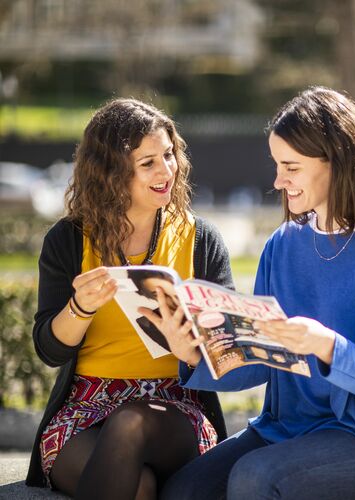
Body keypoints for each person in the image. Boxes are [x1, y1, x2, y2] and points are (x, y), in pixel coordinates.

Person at [150, 87, 355, 499]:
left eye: (291, 167)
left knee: (254, 478)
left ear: (336, 162)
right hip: (284, 429)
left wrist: (325, 346)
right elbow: (259, 363)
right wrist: (193, 353)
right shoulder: (282, 245)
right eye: (277, 165)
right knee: (183, 492)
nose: (277, 181)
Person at [25, 98, 233, 499]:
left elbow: (227, 353)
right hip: (85, 407)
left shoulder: (201, 240)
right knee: (139, 487)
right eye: (148, 162)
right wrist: (80, 307)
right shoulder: (68, 240)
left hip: (175, 406)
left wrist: (188, 343)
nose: (166, 170)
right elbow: (49, 350)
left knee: (130, 422)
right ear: (111, 172)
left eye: (169, 155)